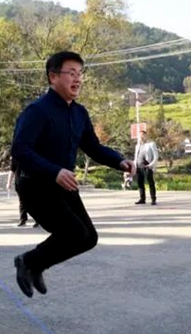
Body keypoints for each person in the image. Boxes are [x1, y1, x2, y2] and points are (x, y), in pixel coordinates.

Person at [11, 51, 135, 298]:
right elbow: (20, 149)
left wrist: (119, 161)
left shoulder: (79, 113)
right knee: (74, 233)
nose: (77, 79)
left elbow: (93, 147)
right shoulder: (37, 111)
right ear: (53, 77)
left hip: (63, 184)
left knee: (88, 238)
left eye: (80, 73)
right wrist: (54, 171)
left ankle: (36, 264)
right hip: (35, 185)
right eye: (71, 73)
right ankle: (28, 262)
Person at [134, 129, 159, 205]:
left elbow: (156, 156)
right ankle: (142, 199)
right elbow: (136, 157)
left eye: (142, 135)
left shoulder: (151, 144)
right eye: (139, 136)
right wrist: (134, 165)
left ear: (146, 136)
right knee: (140, 183)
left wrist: (151, 165)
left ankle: (153, 199)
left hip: (147, 166)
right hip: (139, 166)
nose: (141, 137)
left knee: (151, 183)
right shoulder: (137, 146)